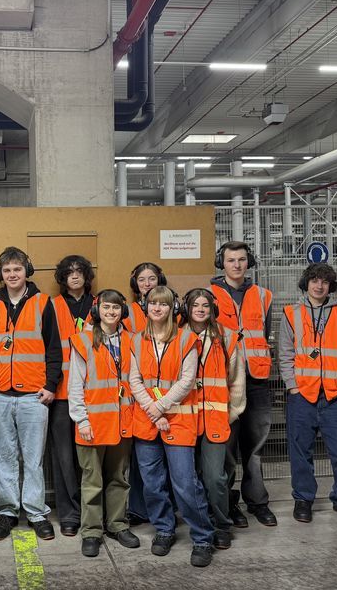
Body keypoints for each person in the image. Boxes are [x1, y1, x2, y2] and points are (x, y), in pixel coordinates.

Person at [279, 264, 337, 526]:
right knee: (300, 452)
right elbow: (285, 354)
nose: (319, 286)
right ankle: (303, 499)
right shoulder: (291, 313)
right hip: (302, 395)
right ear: (306, 283)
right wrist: (293, 386)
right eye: (314, 280)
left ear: (330, 286)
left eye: (324, 281)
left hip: (335, 397)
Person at [129, 286, 216, 567]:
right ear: (146, 307)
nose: (157, 308)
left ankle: (202, 538)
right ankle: (164, 529)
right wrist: (154, 412)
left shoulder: (187, 339)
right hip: (147, 420)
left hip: (178, 420)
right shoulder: (136, 340)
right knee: (153, 484)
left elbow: (187, 381)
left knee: (185, 484)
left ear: (173, 309)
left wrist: (161, 406)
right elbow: (134, 381)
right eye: (153, 303)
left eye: (164, 304)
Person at [0, 247, 62, 541]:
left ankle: (36, 513)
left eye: (17, 269)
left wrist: (51, 385)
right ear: (0, 274)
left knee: (33, 459)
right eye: (7, 270)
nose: (12, 275)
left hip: (33, 396)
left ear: (26, 271)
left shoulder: (43, 302)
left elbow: (54, 348)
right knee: (2, 457)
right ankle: (7, 512)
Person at [210, 241, 277, 528]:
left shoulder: (263, 295)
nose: (236, 265)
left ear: (248, 262)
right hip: (224, 381)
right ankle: (228, 504)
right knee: (226, 448)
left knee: (255, 446)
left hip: (256, 379)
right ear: (221, 263)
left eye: (241, 259)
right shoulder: (209, 294)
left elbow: (264, 333)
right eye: (230, 260)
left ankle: (257, 502)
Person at [68, 289, 139, 557]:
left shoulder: (132, 340)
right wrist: (81, 420)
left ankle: (118, 525)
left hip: (122, 422)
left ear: (123, 311)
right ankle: (91, 531)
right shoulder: (83, 341)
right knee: (92, 481)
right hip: (92, 424)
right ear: (97, 311)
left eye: (116, 307)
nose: (111, 312)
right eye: (106, 307)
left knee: (119, 478)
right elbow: (75, 385)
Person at [179, 288, 245, 550]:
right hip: (184, 419)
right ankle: (200, 522)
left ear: (212, 309)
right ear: (186, 309)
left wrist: (232, 413)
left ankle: (221, 524)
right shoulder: (177, 336)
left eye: (205, 305)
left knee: (215, 477)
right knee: (189, 478)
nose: (200, 309)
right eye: (195, 305)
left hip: (217, 419)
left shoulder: (227, 337)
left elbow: (236, 380)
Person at [48, 254, 95, 536]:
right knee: (63, 457)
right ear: (63, 277)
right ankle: (69, 513)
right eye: (69, 272)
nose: (75, 276)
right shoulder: (52, 305)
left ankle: (94, 511)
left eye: (79, 271)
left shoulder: (101, 304)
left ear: (86, 275)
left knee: (92, 458)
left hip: (95, 394)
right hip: (60, 392)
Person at [124, 261, 168, 526]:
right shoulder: (128, 311)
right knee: (140, 456)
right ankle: (139, 509)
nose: (147, 283)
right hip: (137, 388)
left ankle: (167, 509)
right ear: (135, 283)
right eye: (142, 279)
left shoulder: (171, 308)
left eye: (152, 278)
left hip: (166, 393)